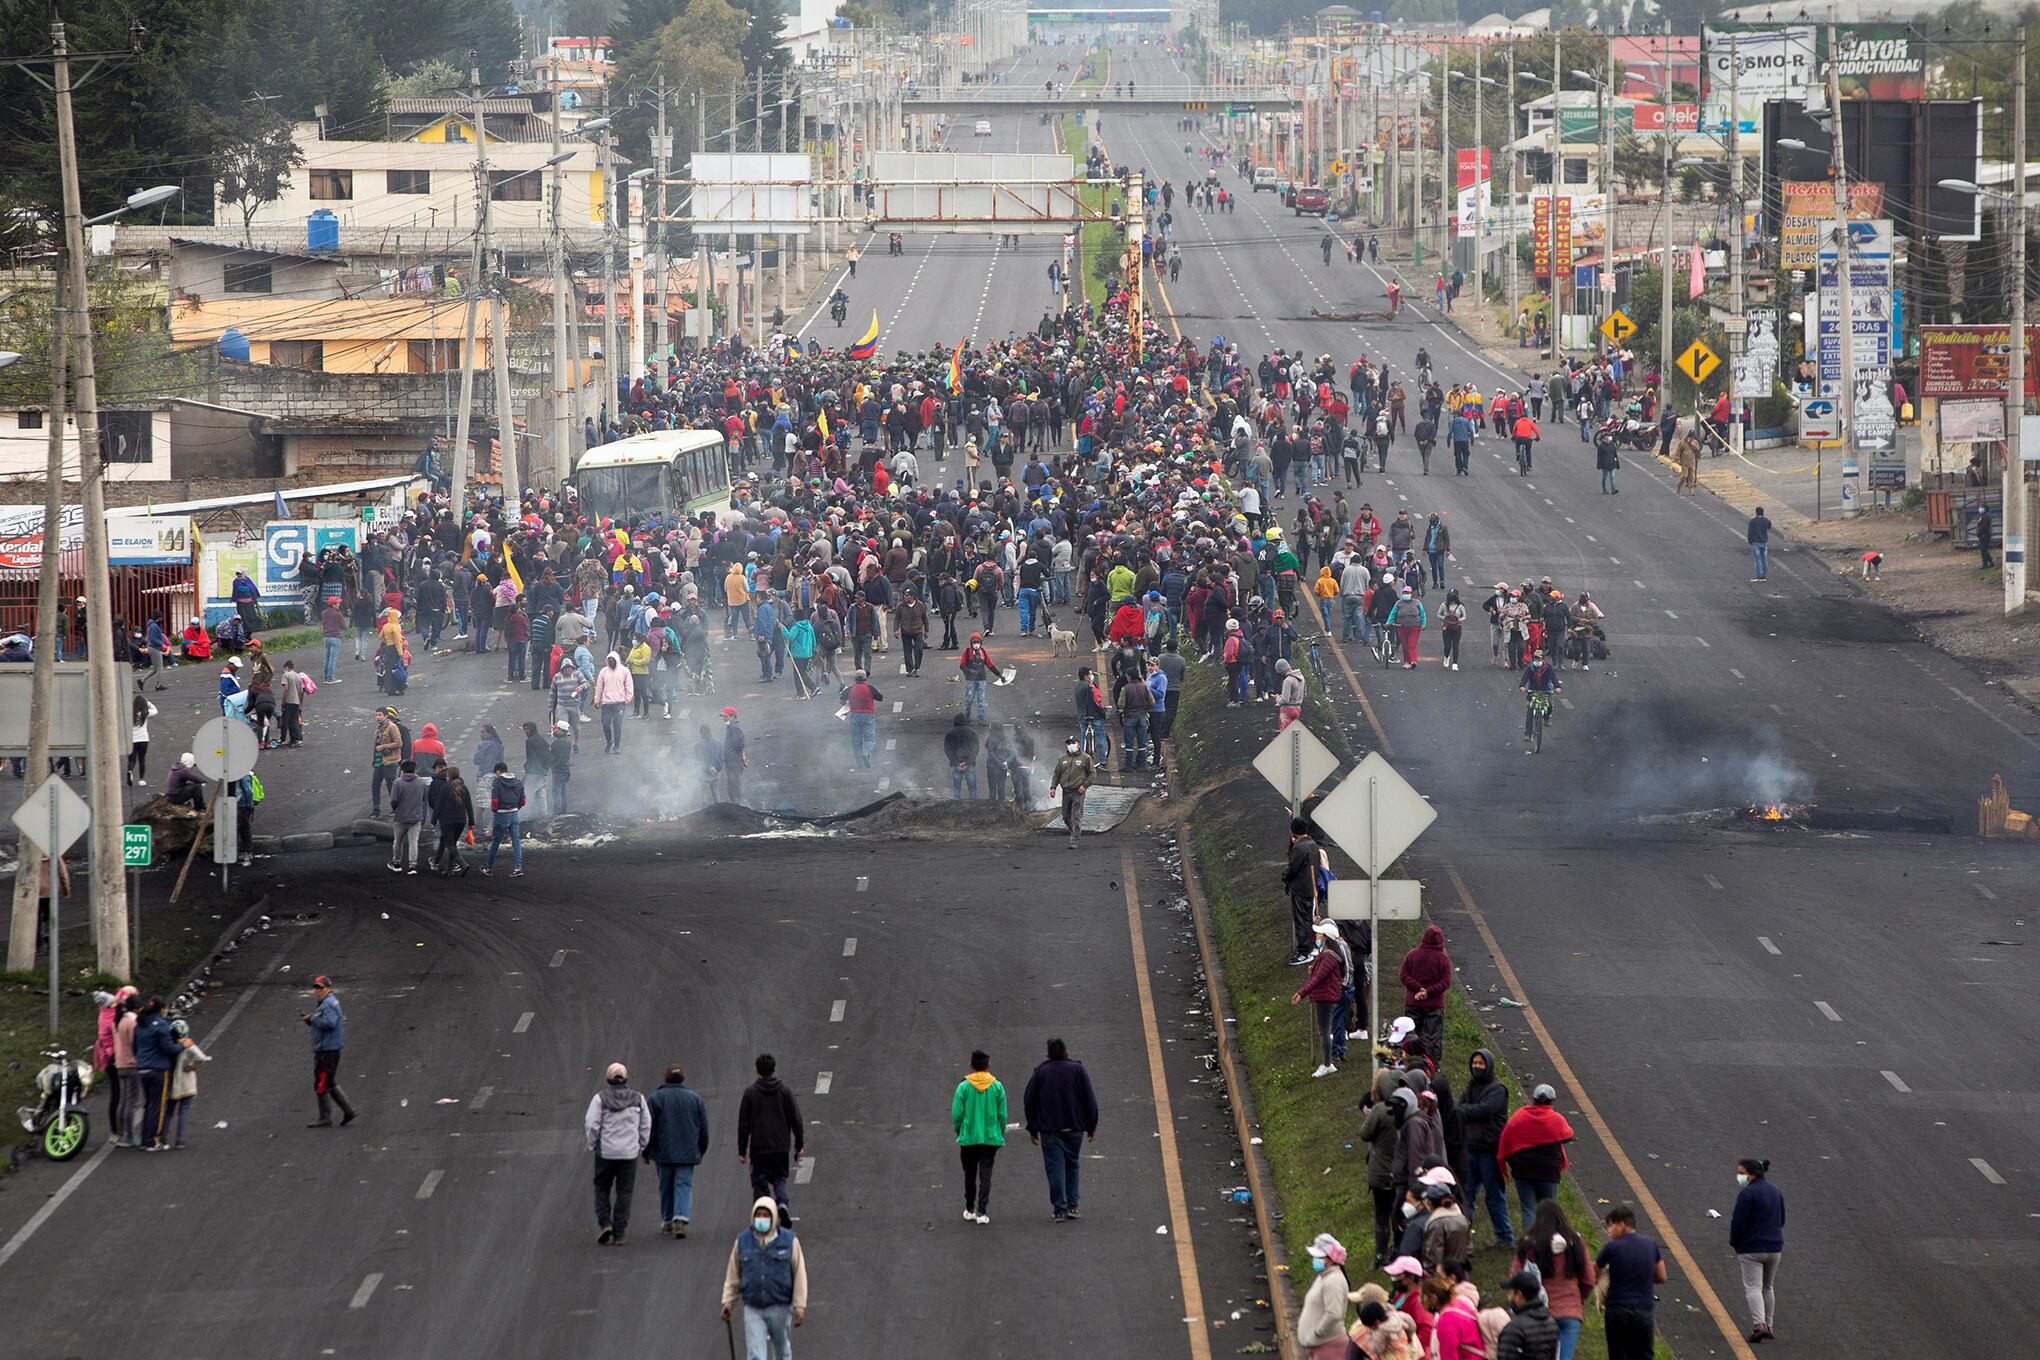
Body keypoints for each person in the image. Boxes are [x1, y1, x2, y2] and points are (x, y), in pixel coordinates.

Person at [721, 1194, 809, 1360]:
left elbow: (799, 1274)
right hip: (753, 1308)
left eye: (766, 1215)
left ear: (773, 1217)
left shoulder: (789, 1241)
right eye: (758, 1215)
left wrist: (799, 1306)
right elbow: (733, 1275)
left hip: (781, 1306)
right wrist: (728, 1303)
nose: (762, 1219)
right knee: (755, 1355)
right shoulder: (742, 1242)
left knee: (782, 1352)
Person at [1021, 1036, 1098, 1222]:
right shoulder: (1078, 1069)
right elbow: (1090, 1099)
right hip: (1074, 1129)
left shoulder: (1040, 1072)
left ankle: (1059, 1209)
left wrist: (1032, 1128)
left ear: (1048, 1055)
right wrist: (1091, 1126)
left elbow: (1029, 1101)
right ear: (1066, 1052)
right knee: (1072, 1165)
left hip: (1049, 1131)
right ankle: (1073, 1206)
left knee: (1055, 1167)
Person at [1516, 1199, 1594, 1359]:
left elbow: (1516, 1276)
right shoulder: (1576, 1242)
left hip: (1538, 1314)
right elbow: (1589, 1280)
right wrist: (1578, 1300)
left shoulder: (1528, 1244)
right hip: (1569, 1313)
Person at [585, 1062, 651, 1245]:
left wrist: (593, 1144)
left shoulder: (599, 1099)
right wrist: (642, 1144)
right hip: (628, 1154)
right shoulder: (638, 1098)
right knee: (624, 1191)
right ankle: (620, 1231)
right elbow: (646, 1124)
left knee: (602, 1187)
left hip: (606, 1153)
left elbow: (592, 1124)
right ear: (626, 1078)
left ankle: (605, 1222)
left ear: (607, 1080)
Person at [737, 1053, 805, 1224]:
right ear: (775, 1068)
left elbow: (744, 1124)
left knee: (760, 1185)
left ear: (756, 1070)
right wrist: (799, 1144)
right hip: (780, 1146)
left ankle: (764, 1219)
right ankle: (782, 1203)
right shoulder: (784, 1091)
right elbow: (796, 1119)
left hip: (759, 1149)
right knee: (780, 1178)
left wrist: (742, 1150)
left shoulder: (750, 1093)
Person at [645, 1063, 711, 1238]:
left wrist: (646, 1151)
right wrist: (701, 1149)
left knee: (665, 1186)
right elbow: (703, 1128)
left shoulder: (656, 1098)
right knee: (683, 1184)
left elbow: (650, 1129)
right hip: (688, 1152)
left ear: (665, 1078)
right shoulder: (694, 1099)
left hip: (663, 1152)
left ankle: (667, 1220)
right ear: (683, 1078)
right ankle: (680, 1218)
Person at [1499, 1084, 1575, 1233]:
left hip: (1522, 1172)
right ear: (1552, 1101)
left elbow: (1506, 1137)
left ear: (1533, 1099)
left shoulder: (1520, 1116)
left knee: (1528, 1209)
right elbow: (1568, 1135)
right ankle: (1547, 1242)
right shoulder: (1556, 1119)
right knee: (1548, 1210)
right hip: (1548, 1173)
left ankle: (1529, 1242)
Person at [1595, 1204, 1666, 1360]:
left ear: (1622, 1224)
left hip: (1618, 1310)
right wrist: (1642, 1277)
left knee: (1618, 1354)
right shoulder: (1650, 1244)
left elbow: (1594, 1272)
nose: (1609, 1231)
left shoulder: (1611, 1247)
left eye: (1611, 1226)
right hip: (1644, 1311)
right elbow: (1662, 1276)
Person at [1730, 1157, 1784, 1343]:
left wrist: (1735, 1242)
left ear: (1752, 1174)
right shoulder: (1775, 1190)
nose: (1739, 1176)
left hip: (1751, 1248)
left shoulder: (1747, 1194)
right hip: (1775, 1247)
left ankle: (1759, 1325)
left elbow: (1738, 1222)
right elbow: (1782, 1219)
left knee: (1753, 1287)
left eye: (1741, 1173)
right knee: (1768, 1287)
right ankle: (1769, 1325)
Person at [1461, 1048, 1512, 1246]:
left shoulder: (1498, 1089)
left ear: (1488, 1065)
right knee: (1466, 1194)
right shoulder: (1470, 1086)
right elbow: (1459, 1108)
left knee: (1494, 1196)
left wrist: (1468, 1110)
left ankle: (1505, 1237)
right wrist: (1469, 1111)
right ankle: (1463, 1236)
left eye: (1481, 1063)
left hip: (1490, 1151)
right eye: (1475, 1063)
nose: (1477, 1067)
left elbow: (1485, 1110)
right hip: (1470, 1148)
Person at [950, 1049, 1007, 1224]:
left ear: (971, 1065)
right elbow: (1002, 1114)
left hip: (969, 1138)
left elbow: (956, 1114)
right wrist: (1000, 1132)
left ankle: (970, 1209)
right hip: (990, 1138)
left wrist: (959, 1130)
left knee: (969, 1174)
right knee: (986, 1174)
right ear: (988, 1065)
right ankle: (982, 1212)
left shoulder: (964, 1087)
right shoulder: (997, 1086)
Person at [302, 974, 357, 1128]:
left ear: (328, 988)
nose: (317, 990)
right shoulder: (326, 1002)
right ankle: (348, 1111)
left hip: (327, 1050)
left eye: (320, 988)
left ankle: (325, 1117)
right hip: (327, 1049)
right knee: (328, 1082)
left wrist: (312, 1019)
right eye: (315, 987)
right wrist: (311, 1020)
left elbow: (330, 1023)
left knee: (322, 1083)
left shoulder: (328, 1003)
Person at [1292, 920, 1345, 1077]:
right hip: (1325, 996)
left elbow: (1318, 979)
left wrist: (1301, 993)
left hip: (1325, 998)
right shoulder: (1327, 956)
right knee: (1325, 1030)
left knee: (1325, 1031)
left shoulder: (1328, 958)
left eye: (1319, 934)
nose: (1316, 937)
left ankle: (1327, 1064)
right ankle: (1327, 1062)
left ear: (1326, 938)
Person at [132, 997, 180, 1151]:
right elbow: (169, 1048)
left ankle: (145, 1139)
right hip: (158, 1070)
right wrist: (182, 1046)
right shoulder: (161, 1025)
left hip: (142, 1069)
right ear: (161, 1009)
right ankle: (154, 1140)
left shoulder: (140, 1025)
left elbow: (135, 1048)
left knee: (148, 1105)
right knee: (158, 1106)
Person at [1398, 924, 1451, 1064]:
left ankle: (1410, 1060)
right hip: (1435, 1004)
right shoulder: (1443, 959)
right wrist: (1428, 992)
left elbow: (1404, 975)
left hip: (1413, 1001)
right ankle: (1432, 1063)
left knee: (1411, 1033)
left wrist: (1418, 989)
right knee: (1433, 1036)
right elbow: (1445, 982)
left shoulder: (1412, 955)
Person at [1295, 1232, 1351, 1359]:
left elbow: (1334, 1314)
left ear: (1330, 1260)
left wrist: (1318, 1332)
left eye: (1320, 1257)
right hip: (1320, 1347)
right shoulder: (1324, 1277)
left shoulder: (1334, 1281)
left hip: (1327, 1347)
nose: (1315, 1260)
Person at [164, 1019, 210, 1149]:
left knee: (168, 1112)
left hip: (173, 1084)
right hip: (187, 1084)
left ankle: (163, 1138)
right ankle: (180, 1139)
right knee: (183, 1112)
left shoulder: (170, 1046)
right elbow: (201, 1057)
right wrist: (191, 1066)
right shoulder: (188, 1044)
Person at [1495, 1268, 1558, 1360]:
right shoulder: (1552, 1323)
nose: (1509, 1297)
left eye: (1511, 1293)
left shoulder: (1514, 1329)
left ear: (1519, 1294)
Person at [1282, 816, 1320, 964]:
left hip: (1300, 889)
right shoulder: (1313, 845)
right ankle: (1311, 947)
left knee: (1301, 921)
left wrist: (1284, 877)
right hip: (1311, 889)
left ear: (1293, 832)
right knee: (1309, 919)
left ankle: (1304, 952)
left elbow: (1292, 868)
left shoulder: (1299, 848)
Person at [1049, 734, 1095, 848]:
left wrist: (1084, 786)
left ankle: (1075, 839)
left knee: (1076, 816)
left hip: (1078, 791)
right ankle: (1074, 831)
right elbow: (1057, 774)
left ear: (1078, 744)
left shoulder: (1086, 758)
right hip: (1066, 791)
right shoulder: (1063, 759)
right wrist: (1053, 787)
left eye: (1073, 743)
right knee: (1065, 816)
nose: (1071, 745)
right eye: (1069, 743)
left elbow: (1092, 774)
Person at [430, 764, 474, 877]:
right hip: (461, 820)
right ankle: (449, 869)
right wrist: (471, 823)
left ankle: (463, 864)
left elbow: (438, 806)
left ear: (448, 776)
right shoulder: (464, 788)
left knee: (450, 844)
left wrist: (433, 821)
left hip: (447, 821)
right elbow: (469, 806)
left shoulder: (445, 788)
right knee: (453, 844)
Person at [484, 761, 526, 877]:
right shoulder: (518, 782)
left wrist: (495, 811)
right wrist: (516, 809)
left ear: (498, 771)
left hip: (501, 814)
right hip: (514, 814)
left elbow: (494, 801)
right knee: (516, 842)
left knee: (496, 841)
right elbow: (523, 801)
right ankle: (518, 868)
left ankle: (488, 868)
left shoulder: (497, 782)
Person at [387, 759, 427, 874]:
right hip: (416, 818)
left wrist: (396, 809)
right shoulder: (421, 782)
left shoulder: (397, 782)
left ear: (402, 770)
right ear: (415, 769)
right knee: (413, 842)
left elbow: (393, 800)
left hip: (400, 817)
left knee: (398, 841)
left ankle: (396, 863)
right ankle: (412, 866)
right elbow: (424, 798)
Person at [844, 669, 882, 767]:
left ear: (855, 678)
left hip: (854, 716)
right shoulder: (870, 688)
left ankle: (859, 764)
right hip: (868, 716)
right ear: (865, 678)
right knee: (869, 739)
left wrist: (849, 703)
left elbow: (841, 699)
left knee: (856, 741)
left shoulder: (850, 688)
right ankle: (866, 752)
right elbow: (880, 697)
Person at [943, 711, 980, 799]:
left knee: (956, 788)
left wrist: (956, 763)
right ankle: (974, 806)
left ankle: (956, 806)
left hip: (955, 765)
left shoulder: (949, 733)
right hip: (969, 764)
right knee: (972, 788)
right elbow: (975, 749)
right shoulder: (972, 732)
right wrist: (967, 762)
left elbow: (947, 749)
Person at [1748, 507, 1772, 581]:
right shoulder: (1766, 520)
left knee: (1757, 559)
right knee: (1764, 559)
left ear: (1756, 512)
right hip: (1764, 541)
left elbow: (1750, 532)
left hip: (1755, 542)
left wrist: (1750, 541)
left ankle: (1758, 575)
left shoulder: (1752, 521)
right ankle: (1764, 575)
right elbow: (1769, 526)